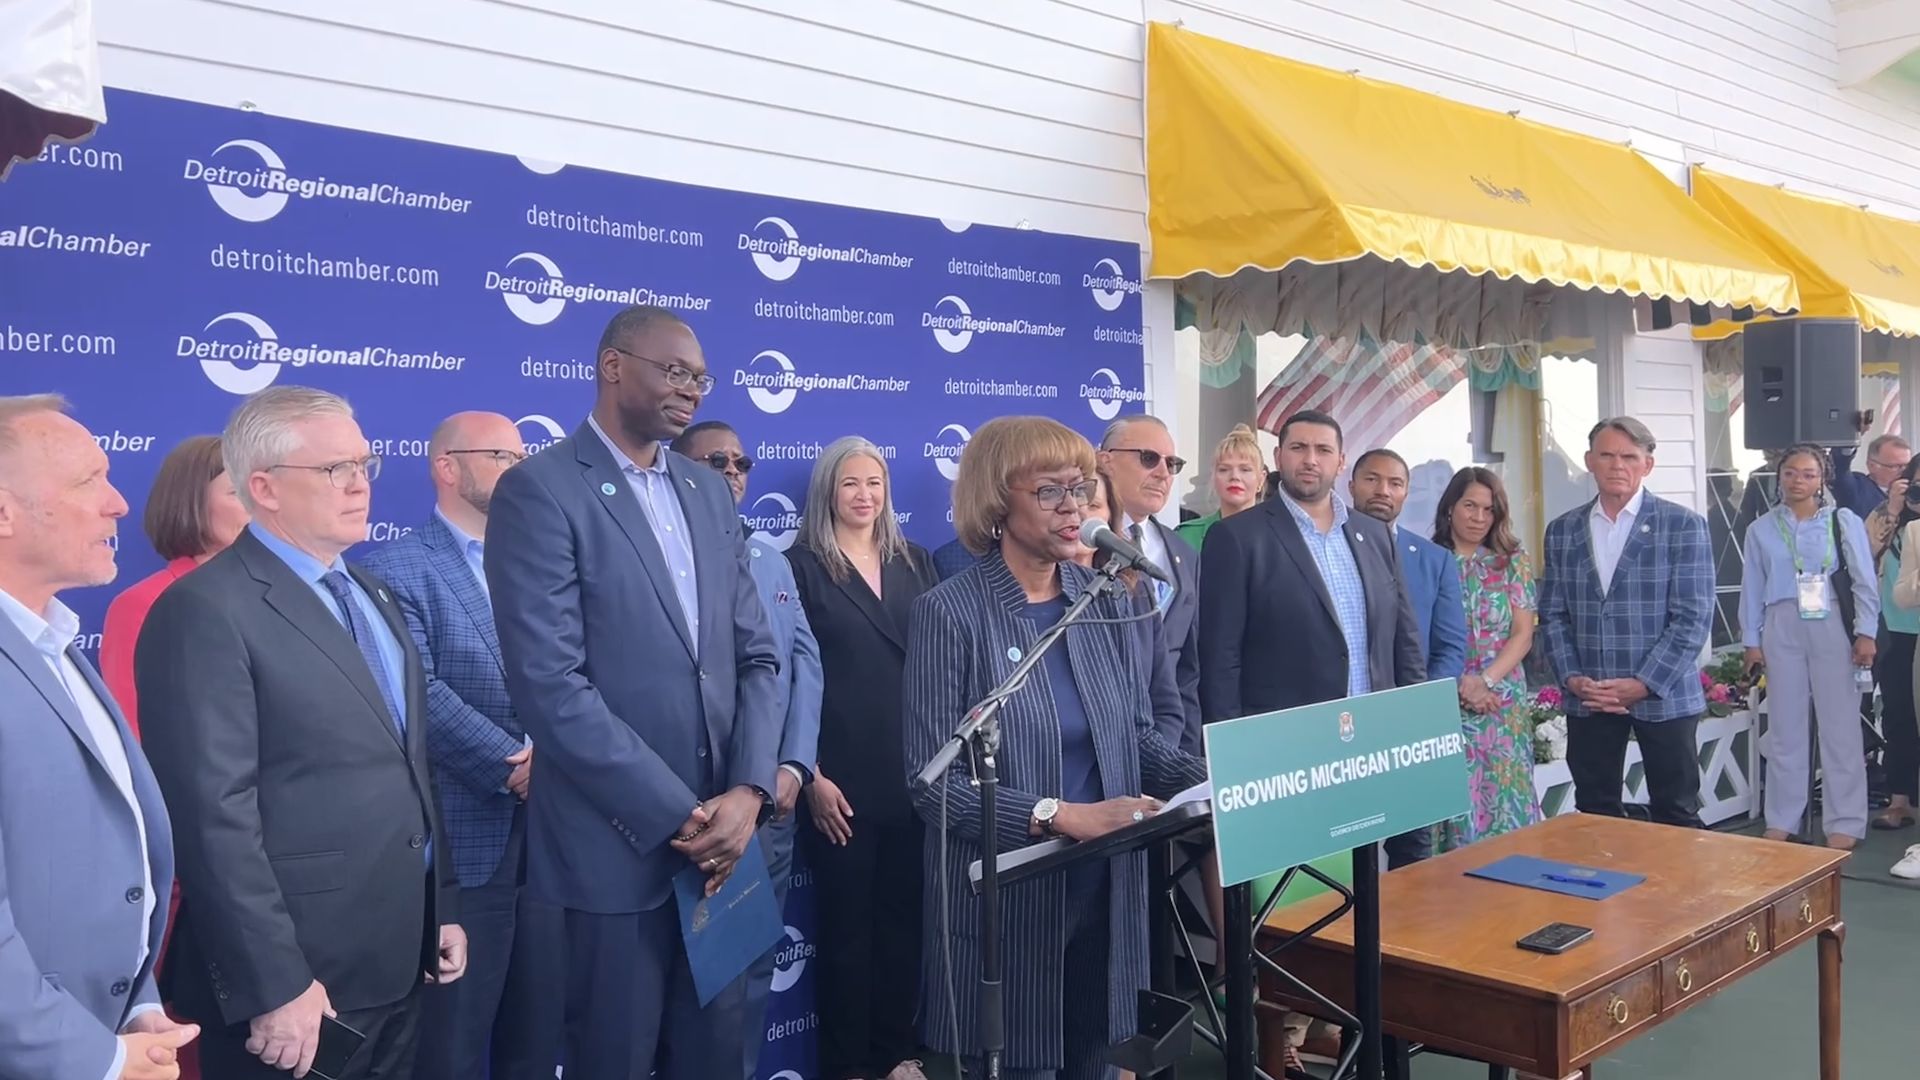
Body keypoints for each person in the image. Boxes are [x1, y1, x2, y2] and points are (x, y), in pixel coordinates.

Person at [484, 306, 781, 1080]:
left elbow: (757, 656)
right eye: (674, 370)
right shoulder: (539, 491)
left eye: (700, 377)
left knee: (717, 1059)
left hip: (726, 846)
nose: (691, 389)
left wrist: (747, 792)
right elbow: (550, 685)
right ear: (613, 366)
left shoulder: (708, 492)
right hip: (614, 851)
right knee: (612, 1057)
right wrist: (680, 814)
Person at [137, 386, 465, 1080]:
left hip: (400, 958)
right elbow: (211, 819)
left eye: (363, 465)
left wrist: (442, 906)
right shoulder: (203, 610)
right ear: (265, 487)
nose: (358, 484)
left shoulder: (370, 592)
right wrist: (274, 982)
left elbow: (409, 763)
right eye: (332, 470)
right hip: (299, 984)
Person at [903, 416, 1205, 1080]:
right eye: (1049, 492)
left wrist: (1219, 781)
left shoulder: (1103, 600)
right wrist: (1061, 814)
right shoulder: (950, 612)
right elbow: (934, 786)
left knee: (1095, 1056)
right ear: (995, 501)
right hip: (1008, 899)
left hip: (1105, 884)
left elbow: (1136, 737)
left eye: (1081, 487)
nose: (1073, 507)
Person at [356, 412, 562, 1080]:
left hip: (560, 840)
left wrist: (561, 760)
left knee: (539, 1037)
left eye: (523, 454)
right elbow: (418, 691)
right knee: (452, 1044)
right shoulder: (394, 569)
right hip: (465, 845)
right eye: (502, 454)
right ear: (446, 466)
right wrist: (515, 766)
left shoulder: (547, 563)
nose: (520, 468)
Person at [0, 394, 200, 1080]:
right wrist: (97, 1059)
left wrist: (136, 1001)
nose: (119, 504)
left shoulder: (52, 642)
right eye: (89, 480)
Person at [669, 419, 824, 1080]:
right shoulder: (661, 555)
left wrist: (792, 766)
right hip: (694, 812)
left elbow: (803, 664)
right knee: (694, 991)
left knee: (753, 972)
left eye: (741, 463)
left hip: (771, 811)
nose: (732, 473)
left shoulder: (769, 557)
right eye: (715, 461)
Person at [781, 435, 932, 1080]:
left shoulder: (918, 563)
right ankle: (848, 1069)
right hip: (838, 785)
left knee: (905, 932)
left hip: (917, 782)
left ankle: (896, 1057)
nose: (864, 495)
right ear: (827, 492)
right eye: (850, 483)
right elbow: (784, 681)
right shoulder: (799, 567)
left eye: (874, 482)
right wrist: (810, 774)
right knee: (845, 942)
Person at [1197, 406, 1426, 756]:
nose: (1310, 460)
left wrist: (1416, 724)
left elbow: (1405, 640)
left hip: (1376, 738)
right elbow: (1220, 658)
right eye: (1298, 448)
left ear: (1341, 461)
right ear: (1277, 456)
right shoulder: (1237, 537)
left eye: (1323, 450)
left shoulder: (1375, 535)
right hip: (1288, 747)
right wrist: (1234, 751)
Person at [1538, 417, 1713, 829]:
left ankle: (1681, 894)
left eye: (1629, 457)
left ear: (1647, 465)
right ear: (1589, 461)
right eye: (1608, 455)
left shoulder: (1683, 525)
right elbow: (1553, 614)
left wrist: (1644, 683)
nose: (1618, 465)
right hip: (1591, 696)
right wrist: (1572, 677)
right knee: (1595, 813)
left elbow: (1693, 617)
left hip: (1663, 695)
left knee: (1677, 811)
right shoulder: (1563, 530)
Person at [1739, 444, 1877, 849]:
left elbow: (1863, 580)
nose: (1797, 481)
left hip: (1831, 620)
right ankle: (1783, 816)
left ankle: (1846, 821)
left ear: (1823, 480)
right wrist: (1751, 640)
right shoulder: (1760, 529)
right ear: (1779, 476)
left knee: (1840, 726)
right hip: (1781, 623)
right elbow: (1752, 589)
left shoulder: (1842, 521)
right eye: (1790, 473)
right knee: (1784, 726)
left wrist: (1865, 631)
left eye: (1808, 474)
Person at [100, 435, 250, 736]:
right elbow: (136, 729)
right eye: (238, 493)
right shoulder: (143, 604)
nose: (258, 507)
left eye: (262, 491)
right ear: (191, 501)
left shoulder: (287, 593)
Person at [1430, 467, 1541, 850]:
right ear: (1450, 508)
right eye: (1470, 506)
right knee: (1455, 805)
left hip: (1502, 701)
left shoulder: (1512, 561)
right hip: (1448, 699)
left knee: (1505, 803)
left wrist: (1486, 680)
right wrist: (1461, 684)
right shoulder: (1430, 559)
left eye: (1488, 510)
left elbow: (1523, 634)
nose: (1479, 517)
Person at [1097, 414, 1203, 752]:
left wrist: (1182, 756)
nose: (1162, 473)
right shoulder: (1079, 547)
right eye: (1148, 458)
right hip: (1100, 750)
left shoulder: (1184, 553)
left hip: (1169, 748)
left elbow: (1188, 670)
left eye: (1172, 464)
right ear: (1106, 460)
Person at [1348, 447, 1467, 684]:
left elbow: (1450, 647)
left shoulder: (1435, 560)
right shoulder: (1329, 548)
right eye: (1372, 479)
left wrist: (1421, 699)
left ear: (1406, 493)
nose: (1383, 491)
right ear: (1352, 486)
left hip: (1412, 702)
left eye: (1395, 483)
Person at [1875, 457, 1920, 836]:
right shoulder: (1888, 521)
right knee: (1899, 713)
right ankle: (1900, 799)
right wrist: (1894, 508)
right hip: (1896, 630)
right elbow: (1861, 550)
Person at [1175, 423, 1263, 550]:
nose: (1235, 476)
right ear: (1213, 477)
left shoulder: (1280, 536)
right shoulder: (1187, 536)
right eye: (1224, 469)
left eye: (1245, 469)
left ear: (1261, 479)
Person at [1832, 432, 1910, 520]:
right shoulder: (1857, 488)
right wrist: (1850, 435)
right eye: (1896, 466)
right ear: (1872, 466)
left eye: (1908, 465)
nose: (1904, 471)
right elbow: (1839, 468)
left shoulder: (1914, 489)